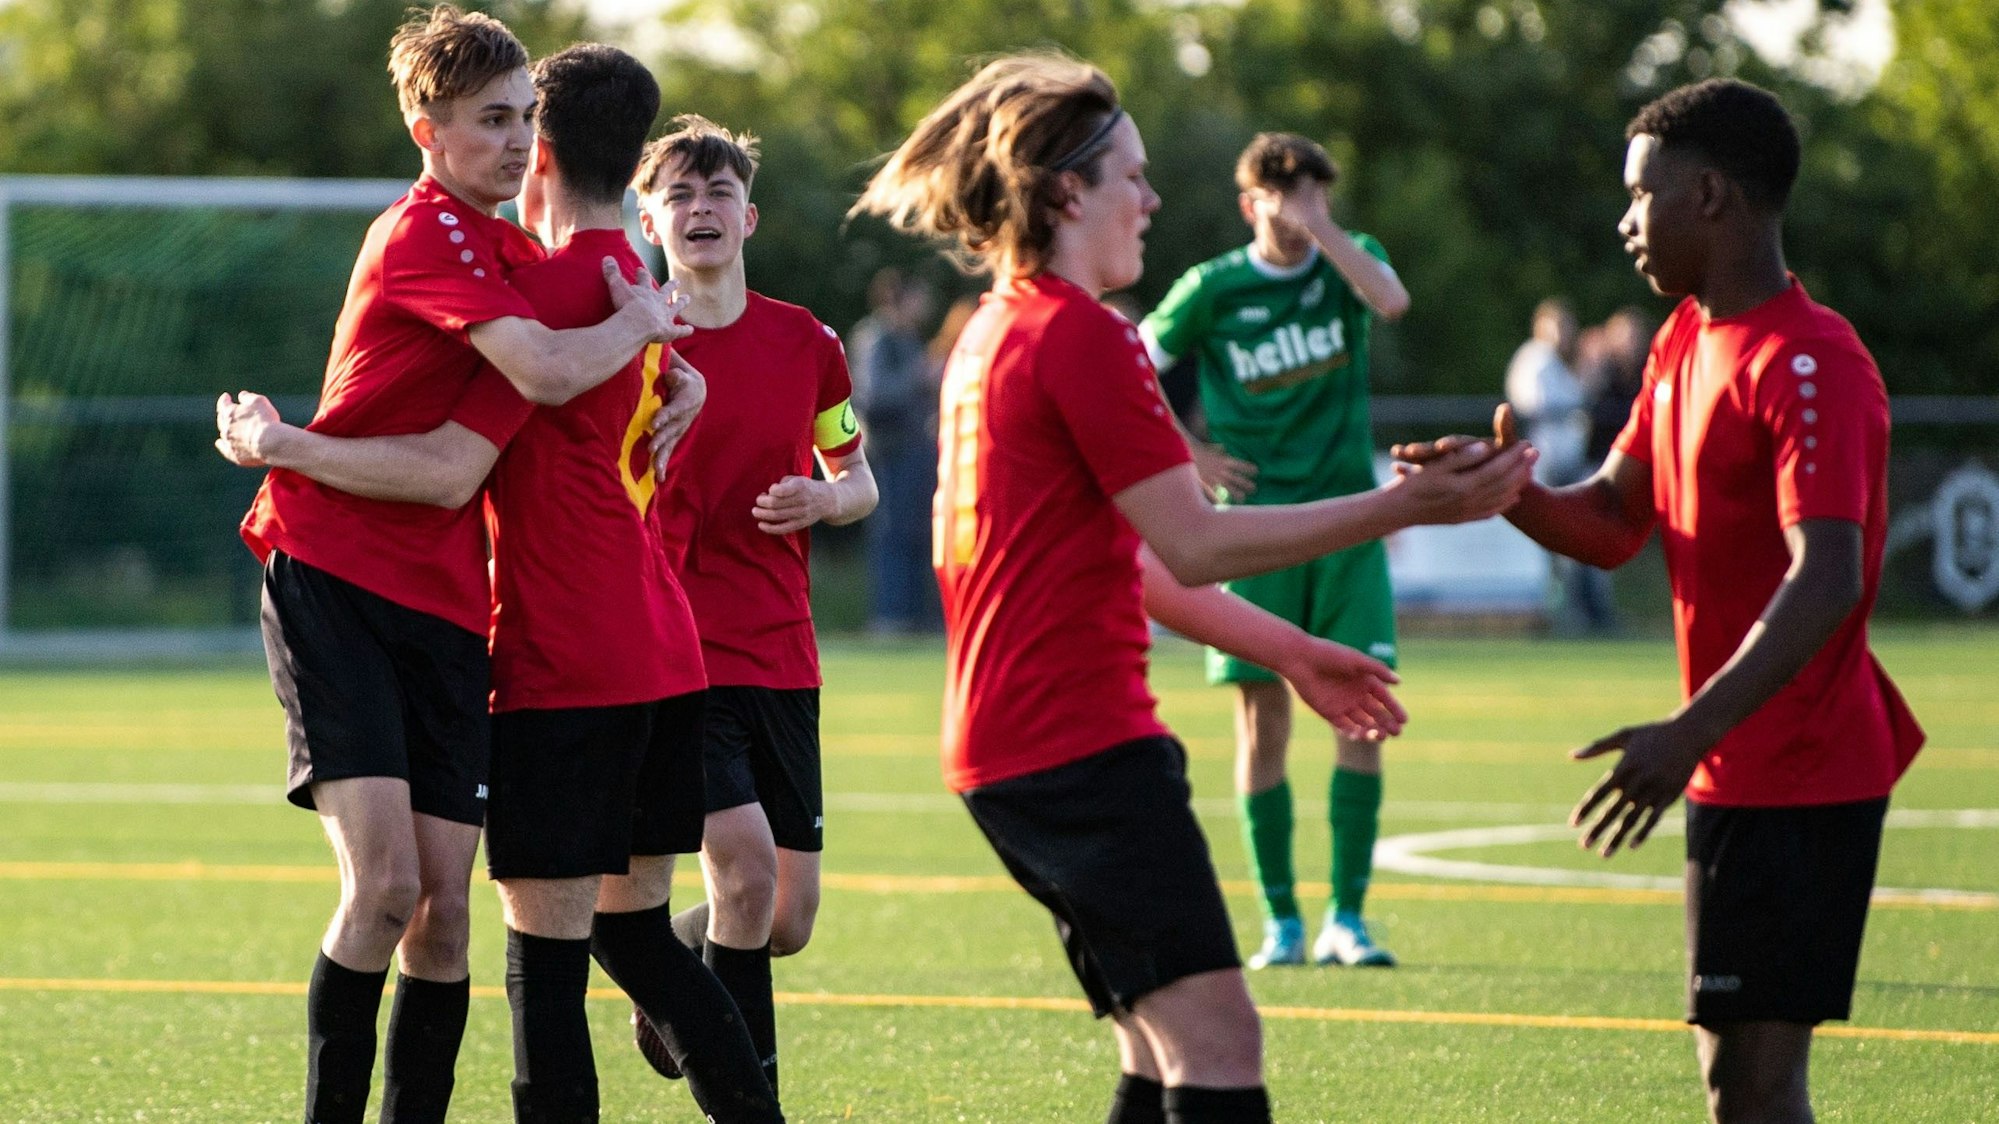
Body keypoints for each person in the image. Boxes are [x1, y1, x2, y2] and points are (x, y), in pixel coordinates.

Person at [851, 53, 1533, 1124]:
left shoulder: (996, 327)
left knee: (1163, 1047)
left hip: (1011, 751)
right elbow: (1197, 540)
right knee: (1220, 1045)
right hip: (1076, 749)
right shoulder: (1082, 334)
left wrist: (1293, 650)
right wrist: (1406, 505)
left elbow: (1133, 562)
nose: (1153, 198)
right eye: (1133, 175)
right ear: (1068, 191)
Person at [217, 35, 783, 1124]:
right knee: (394, 893)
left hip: (477, 618)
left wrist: (673, 364)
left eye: (526, 115)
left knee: (453, 921)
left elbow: (463, 461)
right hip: (342, 573)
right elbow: (518, 399)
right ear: (427, 133)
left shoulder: (531, 267)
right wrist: (647, 326)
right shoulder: (439, 237)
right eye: (491, 117)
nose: (516, 136)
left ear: (549, 140)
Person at [1400, 78, 1924, 1124]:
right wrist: (1508, 491)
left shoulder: (1810, 359)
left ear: (1712, 195)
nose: (1623, 220)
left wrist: (1688, 729)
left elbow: (1825, 573)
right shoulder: (1685, 339)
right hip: (1733, 763)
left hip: (1806, 768)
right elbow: (1610, 521)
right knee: (1736, 1078)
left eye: (1641, 194)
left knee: (1754, 1085)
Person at [626, 114, 878, 1102]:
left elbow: (858, 479)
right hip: (676, 648)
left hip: (784, 653)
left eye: (717, 192)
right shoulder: (632, 341)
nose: (700, 209)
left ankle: (671, 980)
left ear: (750, 216)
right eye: (679, 195)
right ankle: (752, 1097)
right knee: (740, 866)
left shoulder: (806, 341)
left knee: (786, 913)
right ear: (649, 219)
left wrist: (825, 497)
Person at [1138, 132, 1412, 971]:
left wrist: (1323, 231)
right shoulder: (1213, 288)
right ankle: (1281, 923)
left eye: (1312, 194)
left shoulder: (1346, 258)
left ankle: (1349, 919)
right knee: (1262, 723)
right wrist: (1187, 452)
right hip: (1250, 535)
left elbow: (1391, 301)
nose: (1298, 208)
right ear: (1247, 201)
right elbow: (1133, 363)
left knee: (1361, 713)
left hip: (1346, 526)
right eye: (1282, 195)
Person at [849, 267, 941, 634]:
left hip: (917, 452)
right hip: (888, 453)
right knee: (891, 535)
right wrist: (918, 377)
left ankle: (917, 618)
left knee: (917, 534)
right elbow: (872, 396)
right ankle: (889, 618)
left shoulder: (910, 339)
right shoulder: (876, 338)